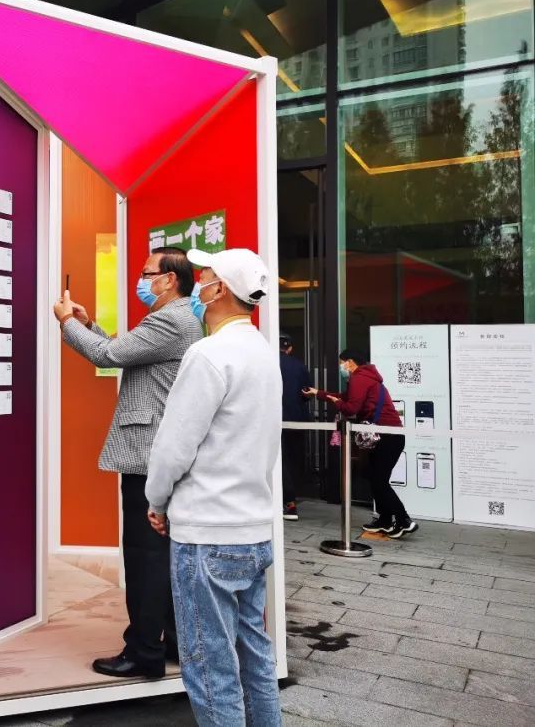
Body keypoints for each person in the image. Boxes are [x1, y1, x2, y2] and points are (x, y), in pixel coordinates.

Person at [145, 247, 282, 727]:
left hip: (207, 533)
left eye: (203, 278)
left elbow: (174, 446)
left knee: (209, 667)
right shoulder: (263, 353)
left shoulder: (208, 354)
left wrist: (157, 500)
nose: (197, 285)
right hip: (253, 529)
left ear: (219, 289)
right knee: (255, 656)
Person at [53, 246, 201, 679]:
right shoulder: (176, 319)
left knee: (144, 557)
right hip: (157, 453)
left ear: (169, 279)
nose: (142, 279)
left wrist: (65, 322)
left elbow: (109, 356)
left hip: (147, 456)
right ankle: (172, 643)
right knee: (161, 556)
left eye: (147, 273)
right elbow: (122, 348)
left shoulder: (170, 320)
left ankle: (143, 652)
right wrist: (86, 325)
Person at [304, 350, 418, 539]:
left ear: (350, 362)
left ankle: (404, 520)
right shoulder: (367, 377)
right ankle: (385, 520)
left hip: (386, 437)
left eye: (341, 363)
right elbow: (345, 396)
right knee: (374, 478)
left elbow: (350, 408)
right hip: (389, 436)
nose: (341, 367)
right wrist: (319, 393)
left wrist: (337, 403)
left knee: (379, 481)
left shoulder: (359, 378)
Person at [279, 333, 312, 521]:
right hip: (297, 420)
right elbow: (307, 393)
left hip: (274, 419)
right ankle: (292, 500)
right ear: (289, 348)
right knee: (293, 458)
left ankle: (287, 501)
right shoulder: (299, 366)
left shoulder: (267, 363)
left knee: (279, 460)